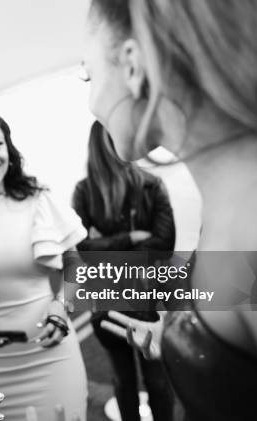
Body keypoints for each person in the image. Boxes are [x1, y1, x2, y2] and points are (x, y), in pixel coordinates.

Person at [82, 0, 257, 420]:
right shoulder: (239, 201)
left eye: (89, 75)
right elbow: (251, 352)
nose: (91, 101)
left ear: (132, 67)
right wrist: (185, 342)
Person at [0, 111, 88, 421]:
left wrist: (62, 305)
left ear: (9, 150)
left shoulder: (38, 199)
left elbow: (75, 263)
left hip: (53, 357)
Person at [72, 120, 175, 421]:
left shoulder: (150, 184)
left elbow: (164, 245)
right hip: (127, 298)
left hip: (125, 295)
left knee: (140, 379)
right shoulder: (86, 190)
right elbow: (81, 248)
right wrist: (130, 238)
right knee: (141, 378)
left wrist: (106, 247)